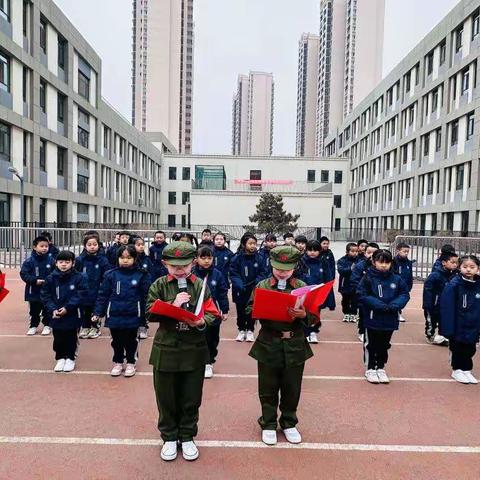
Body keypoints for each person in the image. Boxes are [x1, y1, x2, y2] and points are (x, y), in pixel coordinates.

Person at [146, 241, 220, 462]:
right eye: (174, 265)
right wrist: (173, 304)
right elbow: (150, 312)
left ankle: (187, 435)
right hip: (167, 345)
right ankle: (169, 436)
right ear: (164, 263)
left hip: (193, 346)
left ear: (193, 263)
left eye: (185, 265)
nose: (180, 270)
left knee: (191, 395)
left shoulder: (200, 285)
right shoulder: (158, 284)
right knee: (165, 395)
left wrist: (202, 322)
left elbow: (212, 311)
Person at [246, 246, 318, 446]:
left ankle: (288, 422)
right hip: (269, 342)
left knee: (292, 387)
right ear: (271, 264)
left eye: (287, 268)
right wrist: (264, 309)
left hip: (295, 343)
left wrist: (304, 315)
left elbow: (314, 318)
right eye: (278, 268)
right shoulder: (262, 285)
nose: (282, 272)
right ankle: (268, 423)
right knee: (267, 387)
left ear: (294, 266)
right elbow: (249, 308)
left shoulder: (303, 287)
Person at [93, 245, 150, 378]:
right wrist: (97, 312)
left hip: (133, 313)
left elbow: (147, 295)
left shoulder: (141, 274)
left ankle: (131, 362)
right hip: (114, 313)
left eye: (129, 258)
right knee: (116, 340)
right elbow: (103, 294)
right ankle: (118, 361)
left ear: (135, 259)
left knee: (131, 340)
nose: (125, 260)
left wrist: (147, 313)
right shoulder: (110, 274)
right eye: (122, 258)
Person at [357, 249, 410, 384]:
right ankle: (370, 368)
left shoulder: (396, 279)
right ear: (374, 262)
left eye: (387, 262)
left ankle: (380, 367)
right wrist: (378, 305)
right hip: (372, 318)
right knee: (371, 344)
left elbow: (404, 294)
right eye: (381, 262)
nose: (384, 265)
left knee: (384, 344)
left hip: (390, 318)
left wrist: (394, 305)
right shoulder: (368, 277)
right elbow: (362, 294)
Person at [41, 251, 88, 372]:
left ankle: (70, 358)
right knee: (58, 338)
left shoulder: (79, 277)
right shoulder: (51, 278)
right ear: (56, 263)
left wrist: (68, 308)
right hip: (56, 314)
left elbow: (81, 294)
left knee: (71, 337)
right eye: (61, 262)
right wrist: (53, 309)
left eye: (67, 262)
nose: (64, 265)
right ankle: (60, 357)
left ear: (73, 263)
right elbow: (45, 296)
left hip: (72, 313)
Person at [440, 255, 480, 384]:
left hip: (474, 323)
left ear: (478, 268)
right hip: (458, 324)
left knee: (470, 348)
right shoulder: (454, 285)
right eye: (465, 267)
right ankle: (457, 369)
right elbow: (447, 307)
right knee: (458, 347)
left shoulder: (478, 285)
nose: (468, 270)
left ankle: (467, 369)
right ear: (459, 267)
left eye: (472, 267)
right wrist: (447, 328)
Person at [194, 246, 229, 378]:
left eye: (209, 258)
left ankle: (209, 362)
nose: (206, 261)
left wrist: (224, 310)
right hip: (197, 313)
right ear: (196, 259)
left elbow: (222, 292)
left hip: (213, 313)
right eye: (203, 258)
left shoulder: (217, 274)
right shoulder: (192, 274)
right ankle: (198, 361)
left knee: (212, 339)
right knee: (197, 338)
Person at [230, 232, 267, 342]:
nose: (253, 246)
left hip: (254, 289)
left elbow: (263, 272)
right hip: (240, 290)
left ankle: (250, 330)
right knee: (240, 311)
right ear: (243, 244)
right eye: (250, 243)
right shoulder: (236, 258)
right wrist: (239, 284)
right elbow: (233, 273)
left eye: (254, 243)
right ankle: (241, 330)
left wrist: (256, 282)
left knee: (252, 310)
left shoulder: (259, 258)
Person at [75, 234, 110, 339]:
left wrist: (103, 286)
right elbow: (76, 273)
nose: (92, 246)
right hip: (84, 290)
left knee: (96, 309)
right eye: (89, 244)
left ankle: (95, 327)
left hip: (97, 289)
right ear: (85, 246)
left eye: (94, 244)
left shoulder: (102, 260)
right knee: (85, 309)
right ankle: (85, 326)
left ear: (98, 245)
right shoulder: (80, 260)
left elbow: (106, 274)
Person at [20, 236, 56, 336]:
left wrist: (49, 282)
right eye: (42, 246)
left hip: (47, 291)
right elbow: (24, 274)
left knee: (47, 309)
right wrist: (34, 280)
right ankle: (33, 326)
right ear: (35, 247)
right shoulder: (29, 261)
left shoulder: (51, 260)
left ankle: (47, 325)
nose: (44, 248)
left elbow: (56, 273)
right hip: (34, 291)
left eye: (46, 246)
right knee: (34, 310)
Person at [423, 252, 459, 345]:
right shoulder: (435, 275)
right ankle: (430, 335)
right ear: (444, 262)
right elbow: (428, 290)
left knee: (444, 320)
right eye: (452, 262)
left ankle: (443, 336)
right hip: (434, 304)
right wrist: (428, 304)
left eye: (456, 262)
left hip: (446, 305)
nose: (455, 264)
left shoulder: (455, 275)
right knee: (431, 321)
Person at [351, 242, 379, 341]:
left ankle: (373, 331)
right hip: (364, 297)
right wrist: (361, 294)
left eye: (374, 253)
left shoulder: (381, 266)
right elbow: (354, 280)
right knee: (363, 314)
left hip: (377, 297)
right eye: (369, 252)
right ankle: (362, 331)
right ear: (365, 253)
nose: (371, 255)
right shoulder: (360, 266)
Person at [300, 240, 327, 343]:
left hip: (318, 292)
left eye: (315, 250)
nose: (312, 252)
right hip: (305, 292)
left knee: (316, 313)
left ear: (319, 251)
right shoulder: (302, 261)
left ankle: (313, 332)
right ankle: (305, 333)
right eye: (310, 250)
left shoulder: (323, 262)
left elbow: (328, 278)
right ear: (306, 250)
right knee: (304, 313)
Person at [134, 237, 155, 339]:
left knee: (144, 307)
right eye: (138, 245)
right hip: (134, 288)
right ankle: (135, 326)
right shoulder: (132, 259)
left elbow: (151, 273)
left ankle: (143, 326)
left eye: (142, 244)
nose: (141, 247)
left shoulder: (147, 259)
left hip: (145, 288)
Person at [337, 242, 360, 322]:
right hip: (345, 284)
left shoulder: (359, 260)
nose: (355, 253)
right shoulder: (342, 260)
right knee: (345, 300)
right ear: (347, 252)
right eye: (352, 251)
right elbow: (341, 270)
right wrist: (350, 269)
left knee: (355, 300)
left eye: (356, 251)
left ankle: (353, 314)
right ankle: (346, 313)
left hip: (356, 284)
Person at [393, 242, 414, 322]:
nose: (406, 253)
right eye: (404, 251)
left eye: (407, 252)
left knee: (404, 298)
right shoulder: (394, 261)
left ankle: (397, 311)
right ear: (398, 251)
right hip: (395, 285)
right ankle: (397, 313)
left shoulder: (408, 263)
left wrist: (410, 284)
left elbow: (410, 274)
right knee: (396, 299)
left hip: (405, 285)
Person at [319, 236, 336, 311]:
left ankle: (331, 304)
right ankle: (322, 304)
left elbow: (332, 265)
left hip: (329, 274)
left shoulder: (330, 253)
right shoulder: (318, 253)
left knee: (329, 289)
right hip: (321, 274)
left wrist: (332, 276)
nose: (326, 245)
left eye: (327, 243)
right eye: (324, 243)